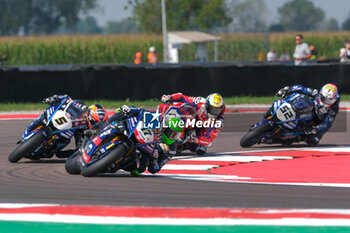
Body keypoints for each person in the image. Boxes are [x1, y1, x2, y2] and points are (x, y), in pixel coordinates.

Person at [40, 95, 108, 158]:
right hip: (63, 120)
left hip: (68, 134)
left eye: (98, 123)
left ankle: (51, 149)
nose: (95, 124)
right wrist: (56, 98)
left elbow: (82, 147)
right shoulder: (81, 107)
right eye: (94, 122)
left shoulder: (90, 131)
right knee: (45, 115)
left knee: (61, 148)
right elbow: (68, 99)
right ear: (90, 115)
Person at [160, 93, 225, 155]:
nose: (213, 113)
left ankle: (183, 144)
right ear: (206, 105)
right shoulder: (199, 102)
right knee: (188, 110)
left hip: (198, 132)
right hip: (191, 122)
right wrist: (169, 97)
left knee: (201, 148)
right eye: (211, 109)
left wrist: (193, 139)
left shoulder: (219, 122)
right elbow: (182, 97)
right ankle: (164, 125)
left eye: (216, 110)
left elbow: (208, 140)